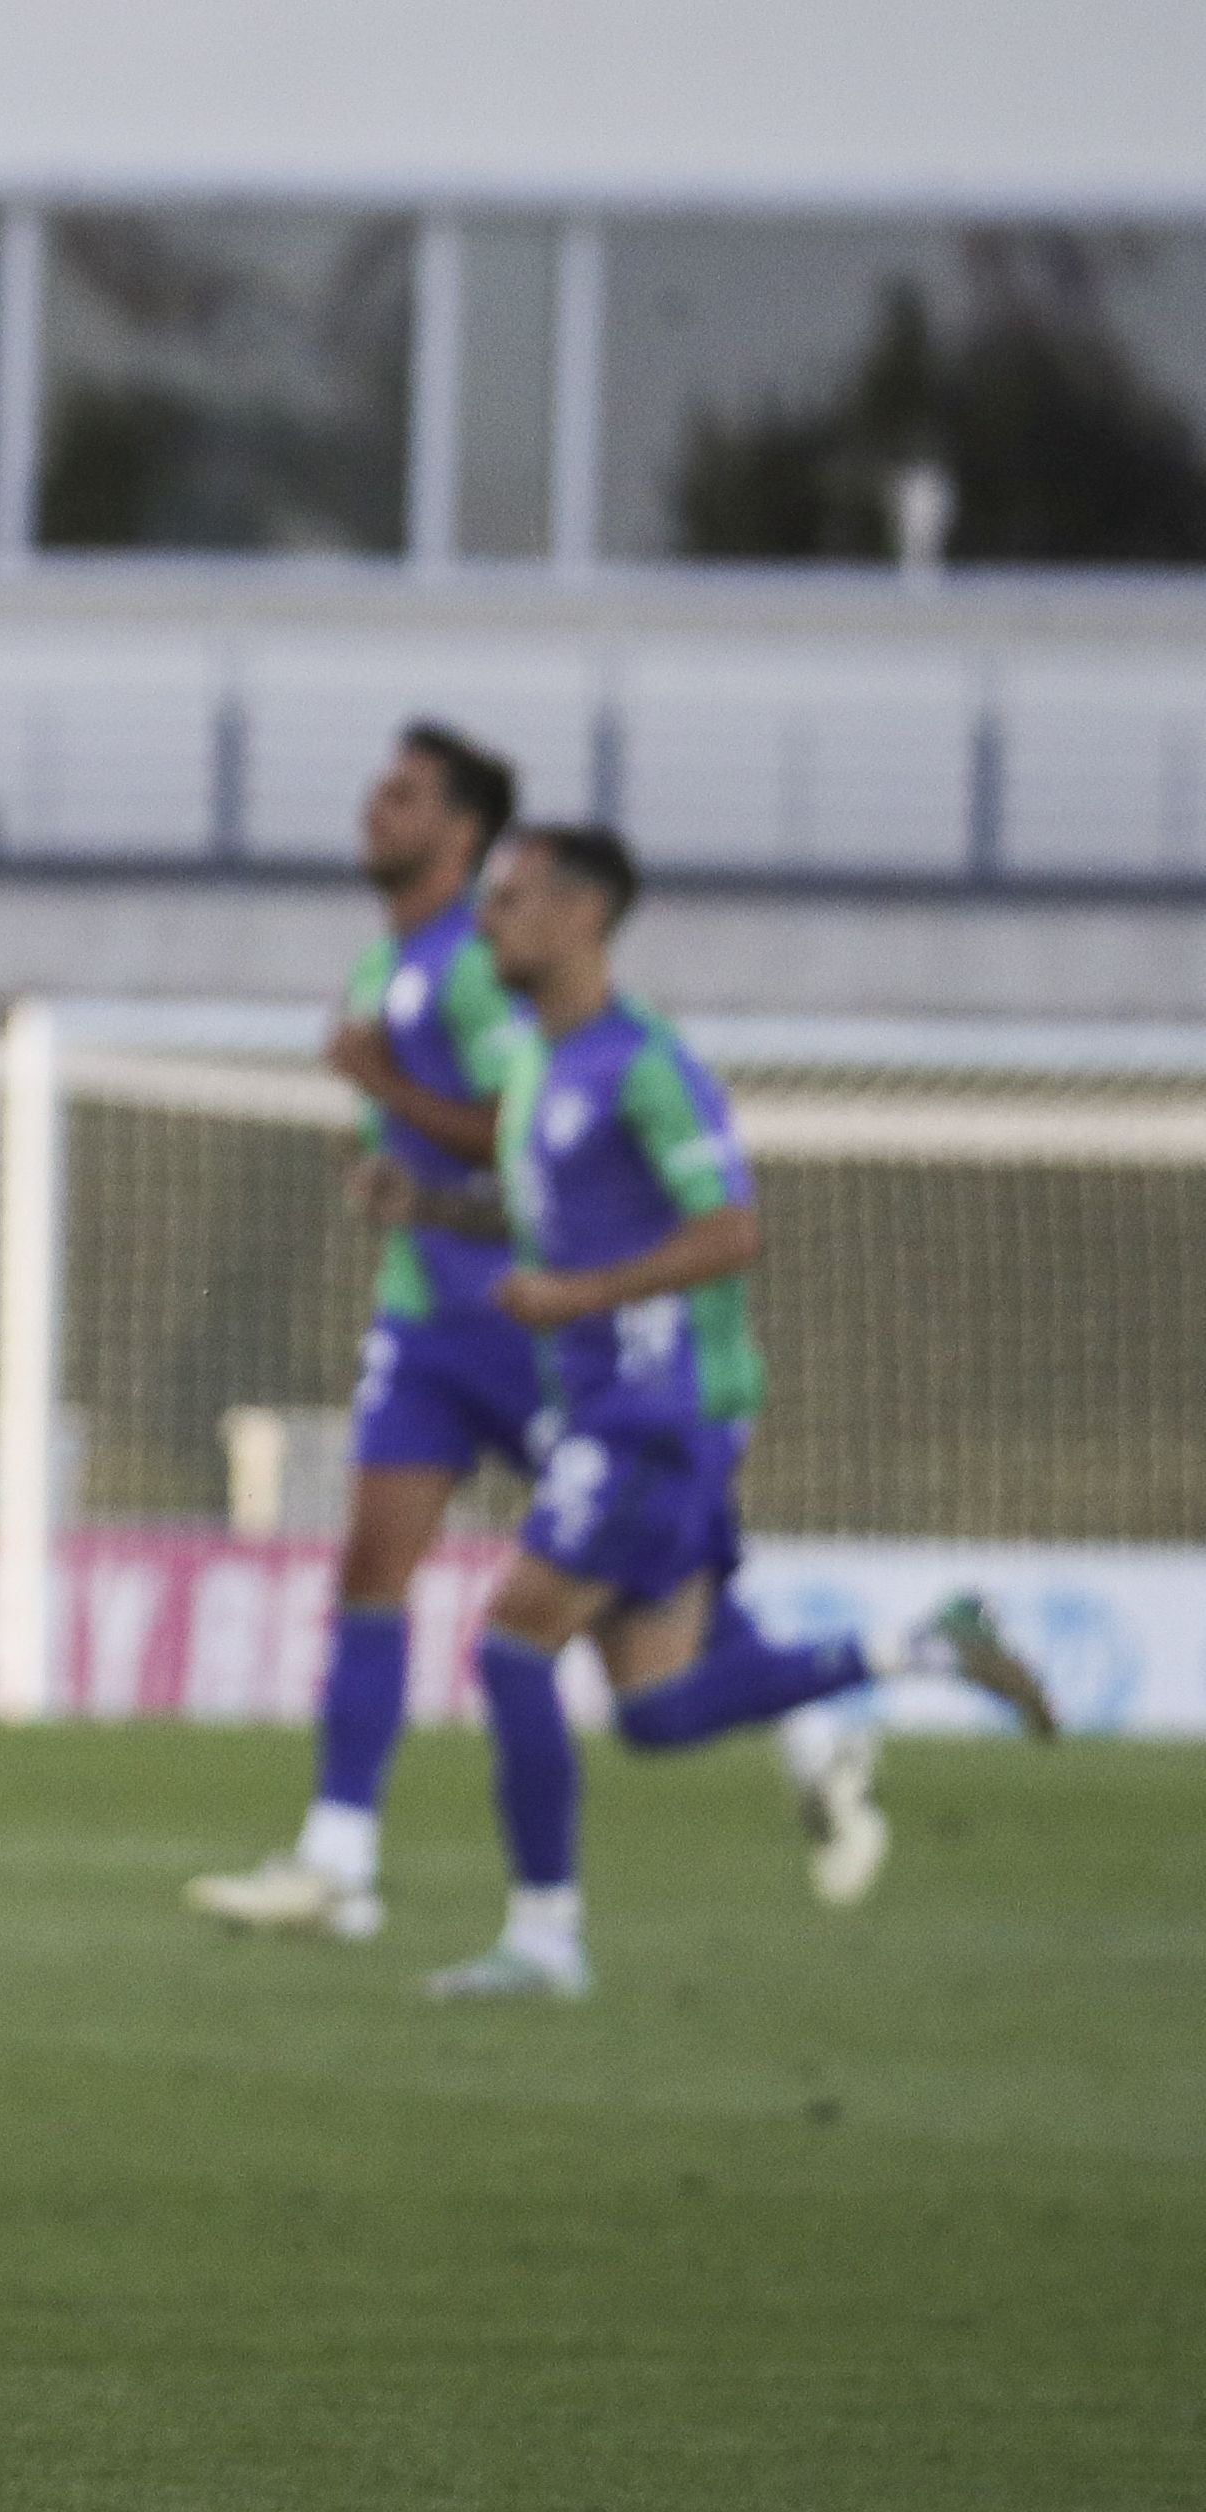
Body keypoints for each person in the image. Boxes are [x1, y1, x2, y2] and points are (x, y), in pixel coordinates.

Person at [395, 825, 1057, 1999]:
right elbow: (561, 1225)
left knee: (508, 1650)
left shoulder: (642, 1061)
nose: (486, 917)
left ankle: (544, 1940)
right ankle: (921, 1644)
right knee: (652, 1713)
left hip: (656, 1411)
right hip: (606, 1407)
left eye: (509, 897)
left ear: (582, 914)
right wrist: (431, 1207)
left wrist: (576, 1296)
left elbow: (730, 1230)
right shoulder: (542, 1068)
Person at [187, 723, 526, 1943]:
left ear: (463, 833)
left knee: (645, 1590)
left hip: (528, 1319)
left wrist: (382, 1092)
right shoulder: (383, 965)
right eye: (376, 788)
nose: (373, 810)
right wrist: (391, 1176)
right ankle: (339, 1858)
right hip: (425, 1322)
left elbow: (518, 1132)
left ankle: (814, 1711)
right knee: (369, 1571)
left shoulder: (475, 967)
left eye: (404, 796)